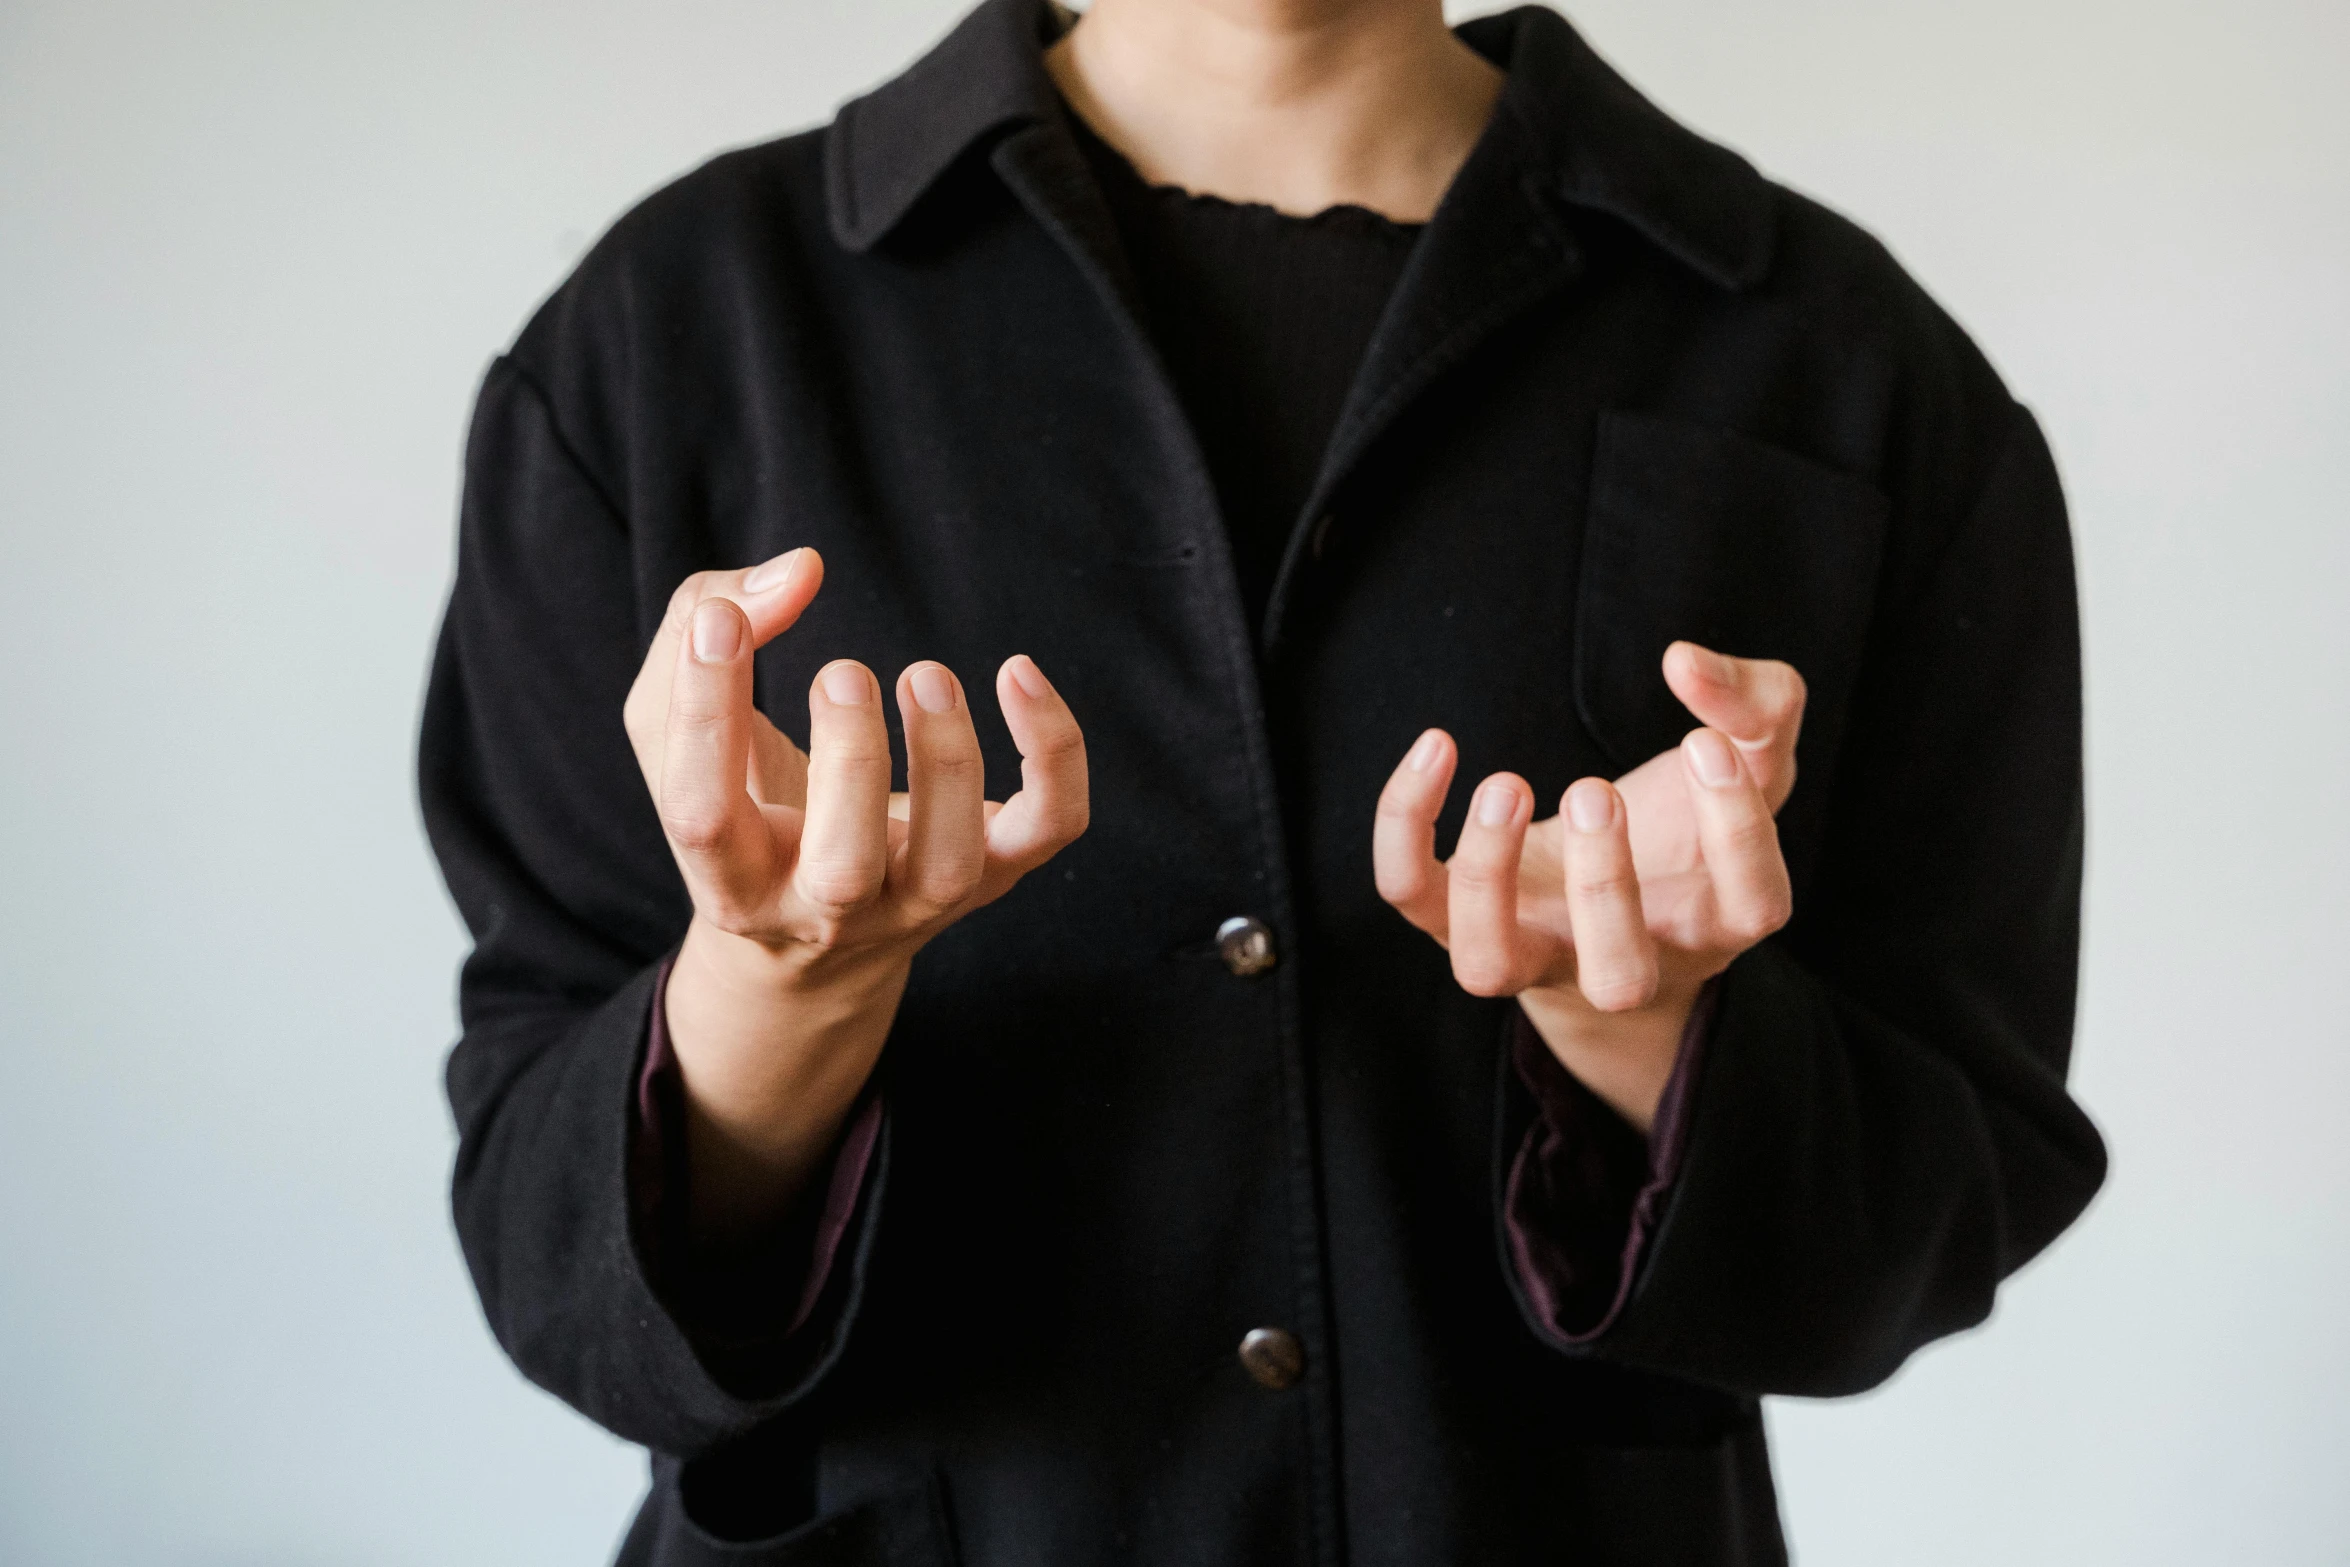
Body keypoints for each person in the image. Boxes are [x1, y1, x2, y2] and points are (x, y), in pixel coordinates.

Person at [418, 0, 2107, 1560]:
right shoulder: (666, 342)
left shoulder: (1848, 373)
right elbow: (546, 1255)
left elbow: (1938, 1202)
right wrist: (781, 988)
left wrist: (1646, 1037)